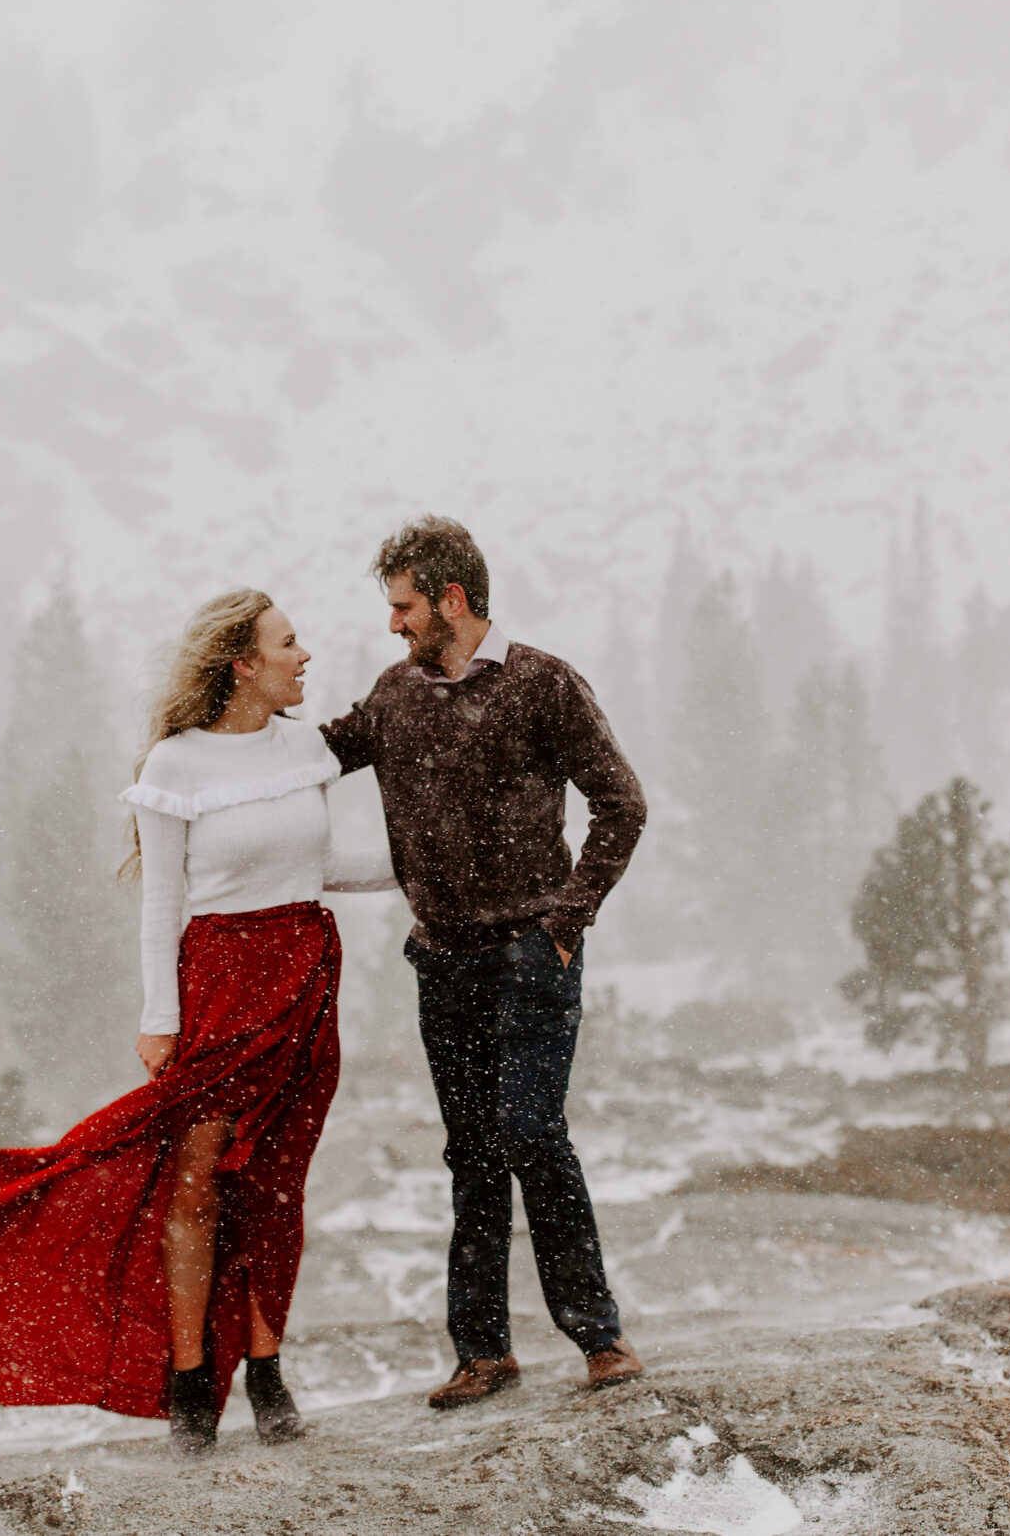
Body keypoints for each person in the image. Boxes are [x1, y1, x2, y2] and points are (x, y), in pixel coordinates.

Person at [0, 589, 392, 1456]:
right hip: (219, 980)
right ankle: (184, 1379)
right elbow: (163, 899)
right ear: (242, 663)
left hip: (304, 972)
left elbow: (318, 863)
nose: (306, 655)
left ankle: (265, 1364)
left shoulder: (307, 748)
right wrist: (159, 1016)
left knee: (277, 1182)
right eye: (290, 643)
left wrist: (428, 868)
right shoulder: (176, 764)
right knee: (197, 1176)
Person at [319, 516, 649, 1409]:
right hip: (441, 962)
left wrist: (567, 920)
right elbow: (313, 757)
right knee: (470, 1152)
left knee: (532, 1135)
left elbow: (622, 803)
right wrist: (212, 746)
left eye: (404, 606)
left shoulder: (544, 683)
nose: (394, 623)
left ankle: (598, 1336)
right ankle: (484, 1352)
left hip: (530, 955)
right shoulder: (394, 693)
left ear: (453, 600)